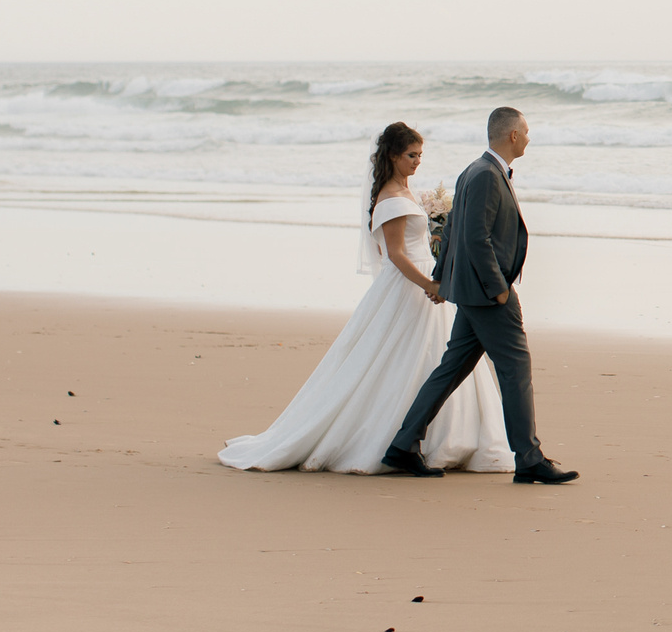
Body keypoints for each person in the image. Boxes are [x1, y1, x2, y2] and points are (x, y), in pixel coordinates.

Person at [218, 122, 512, 474]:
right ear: (392, 156)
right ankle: (401, 438)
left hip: (422, 282)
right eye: (411, 155)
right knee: (402, 360)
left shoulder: (405, 191)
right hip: (408, 287)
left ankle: (436, 436)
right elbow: (396, 255)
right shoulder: (390, 199)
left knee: (431, 357)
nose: (418, 162)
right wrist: (429, 285)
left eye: (420, 155)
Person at [381, 107, 577, 485]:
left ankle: (403, 446)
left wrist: (444, 277)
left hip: (471, 291)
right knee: (515, 371)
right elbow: (474, 237)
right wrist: (498, 290)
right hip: (488, 295)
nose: (530, 137)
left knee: (451, 368)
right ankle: (530, 459)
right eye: (527, 131)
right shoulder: (486, 174)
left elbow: (453, 226)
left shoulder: (474, 170)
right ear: (513, 136)